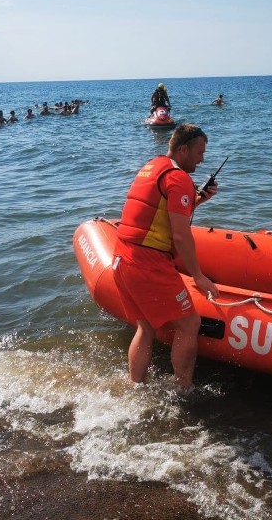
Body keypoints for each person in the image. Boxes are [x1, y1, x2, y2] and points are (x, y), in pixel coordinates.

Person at [113, 123, 219, 391]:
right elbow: (181, 236)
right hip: (147, 263)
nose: (202, 159)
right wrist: (198, 276)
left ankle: (135, 387)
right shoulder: (178, 178)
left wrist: (198, 199)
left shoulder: (153, 166)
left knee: (145, 327)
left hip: (122, 256)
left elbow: (158, 212)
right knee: (189, 323)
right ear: (183, 149)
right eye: (199, 152)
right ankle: (183, 391)